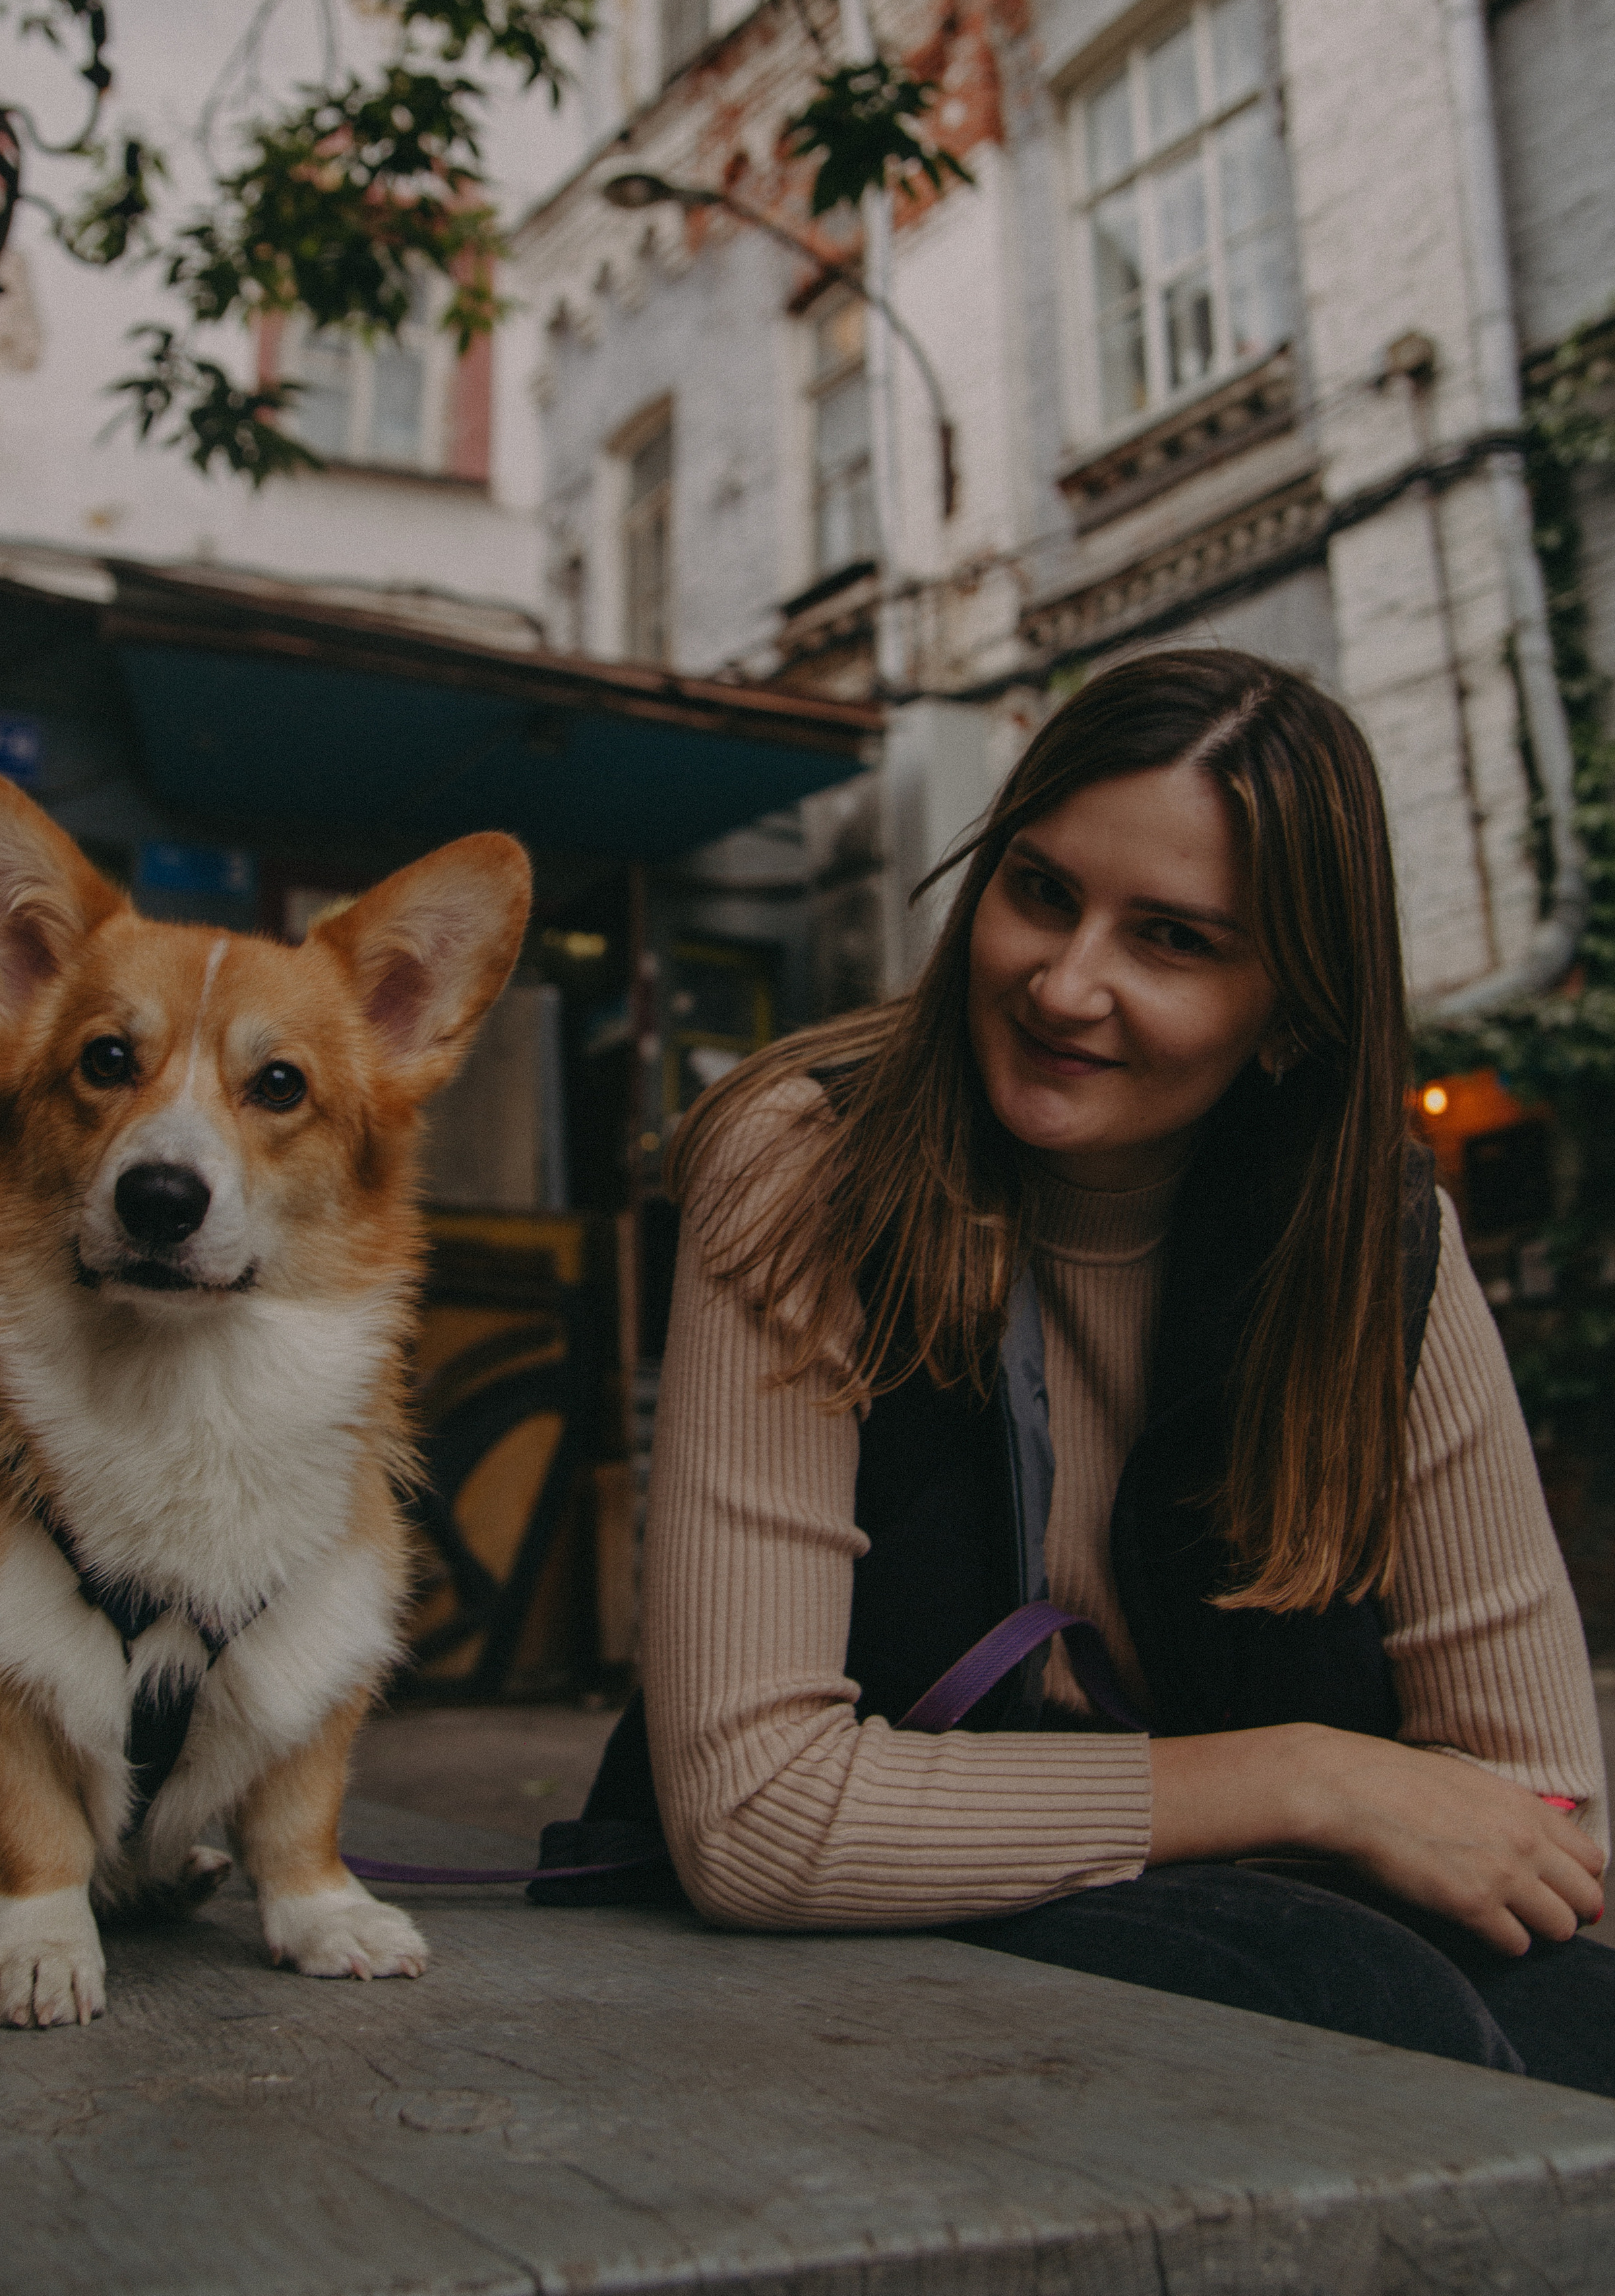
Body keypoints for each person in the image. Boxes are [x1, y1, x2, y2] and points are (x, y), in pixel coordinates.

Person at [619, 648, 1613, 2094]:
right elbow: (756, 1816)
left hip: (1187, 1896)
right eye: (1039, 891)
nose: (1065, 984)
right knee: (1359, 1999)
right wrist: (1308, 1781)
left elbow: (1539, 1817)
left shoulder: (1370, 1244)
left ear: (1291, 1013)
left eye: (1171, 940)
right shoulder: (806, 1167)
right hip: (845, 1938)